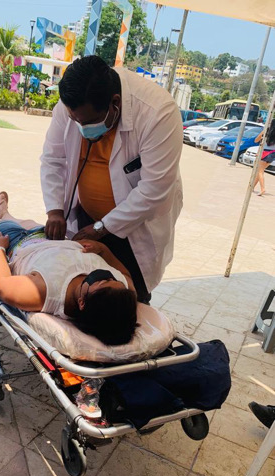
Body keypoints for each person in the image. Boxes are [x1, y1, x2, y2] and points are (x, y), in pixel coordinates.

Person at [0, 186, 139, 418]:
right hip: (53, 238)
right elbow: (127, 277)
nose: (106, 276)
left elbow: (2, 286)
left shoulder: (45, 291)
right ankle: (4, 212)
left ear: (82, 303)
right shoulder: (120, 292)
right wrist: (104, 251)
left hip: (18, 242)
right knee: (23, 220)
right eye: (111, 278)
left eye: (101, 281)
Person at [41, 56, 183, 304]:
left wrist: (102, 227)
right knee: (83, 290)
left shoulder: (157, 112)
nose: (81, 128)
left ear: (115, 103)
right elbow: (53, 159)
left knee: (127, 299)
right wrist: (55, 211)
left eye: (87, 123)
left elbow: (154, 190)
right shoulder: (71, 105)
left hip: (134, 228)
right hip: (86, 219)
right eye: (75, 121)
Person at [253, 119, 275, 197]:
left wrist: (262, 135)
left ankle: (263, 189)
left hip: (265, 152)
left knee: (260, 171)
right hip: (273, 153)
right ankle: (252, 187)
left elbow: (256, 140)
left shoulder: (266, 131)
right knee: (260, 171)